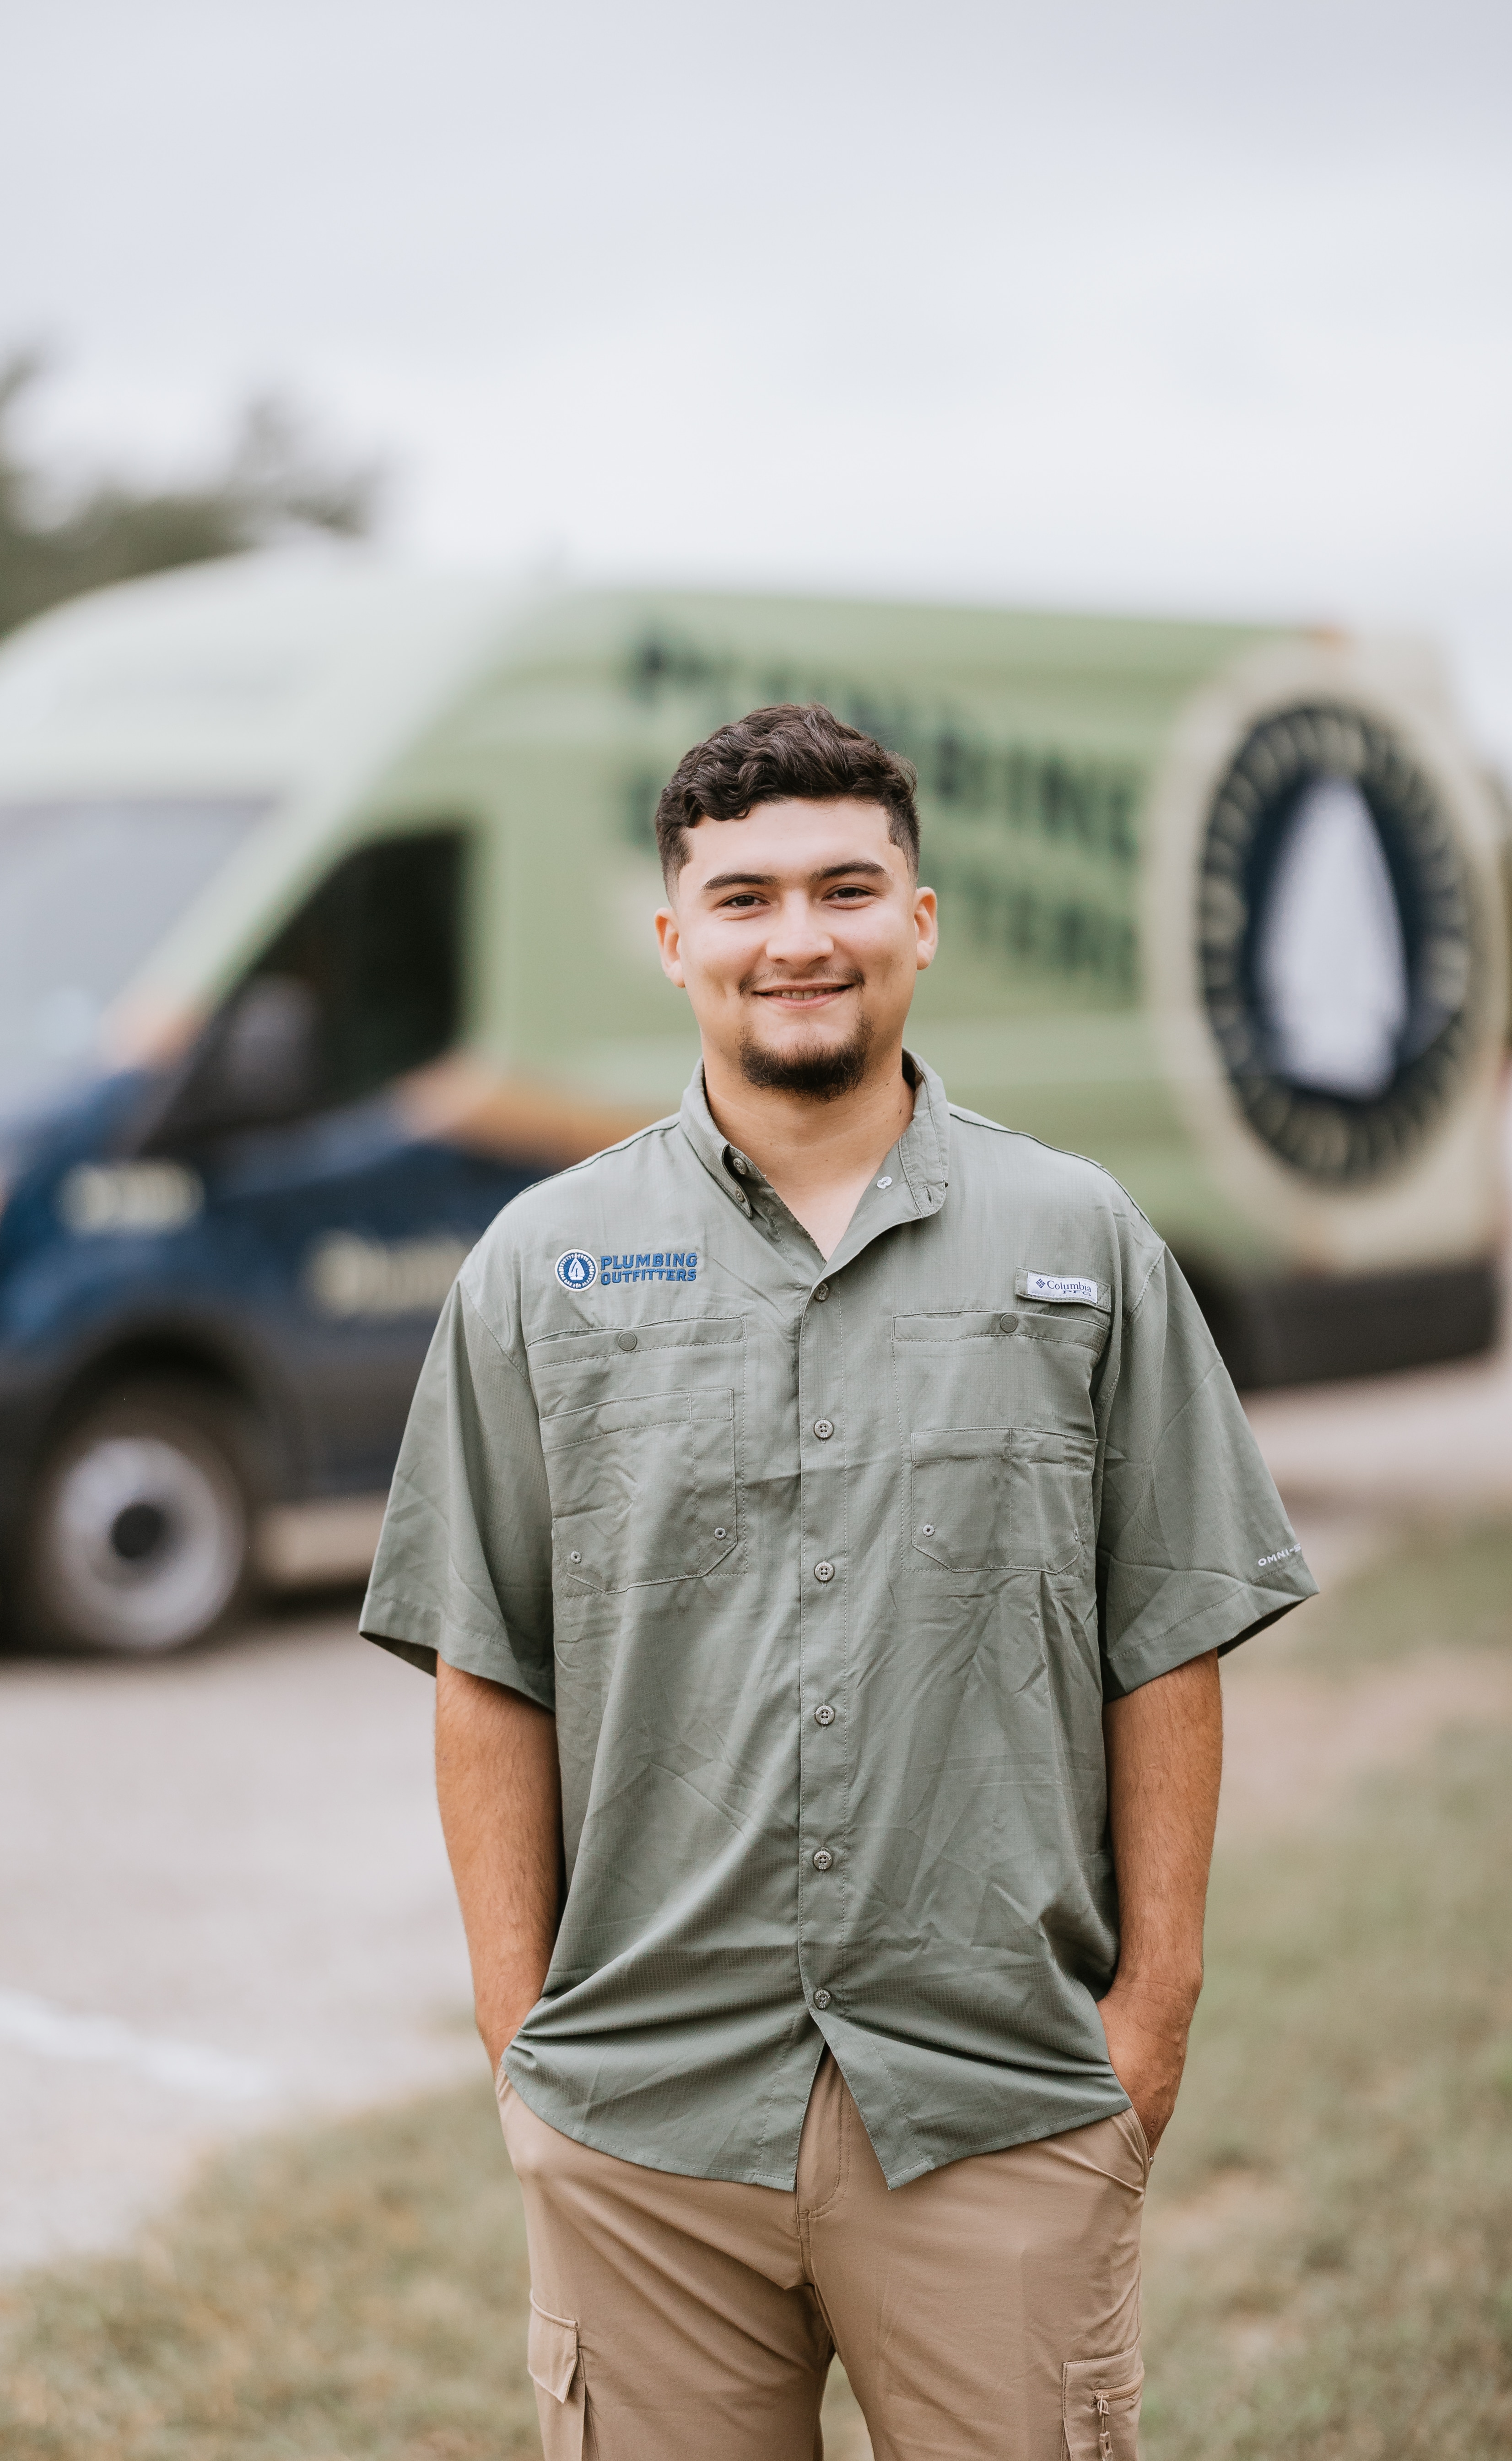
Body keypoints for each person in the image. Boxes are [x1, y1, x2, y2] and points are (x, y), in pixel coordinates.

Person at [362, 703, 1317, 2461]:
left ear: (921, 919)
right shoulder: (538, 1268)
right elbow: (487, 1664)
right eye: (743, 899)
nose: (797, 938)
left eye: (845, 887)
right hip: (642, 2126)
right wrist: (525, 2053)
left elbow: (1167, 1633)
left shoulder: (1082, 1243)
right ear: (675, 941)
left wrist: (1151, 2019)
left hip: (1002, 2105)